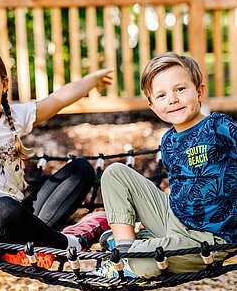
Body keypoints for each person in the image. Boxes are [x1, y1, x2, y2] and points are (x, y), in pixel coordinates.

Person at [0, 46, 111, 268]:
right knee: (4, 208)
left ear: (4, 83)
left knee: (81, 169)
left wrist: (92, 80)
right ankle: (70, 243)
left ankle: (32, 247)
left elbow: (58, 99)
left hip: (20, 221)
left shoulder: (14, 117)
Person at [100, 52, 237, 278]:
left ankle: (136, 254)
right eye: (161, 95)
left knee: (145, 264)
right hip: (173, 217)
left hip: (210, 237)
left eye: (180, 89)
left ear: (199, 91)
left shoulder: (218, 126)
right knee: (115, 173)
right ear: (152, 106)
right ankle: (124, 250)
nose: (172, 99)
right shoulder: (168, 140)